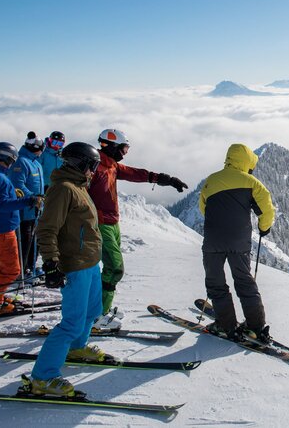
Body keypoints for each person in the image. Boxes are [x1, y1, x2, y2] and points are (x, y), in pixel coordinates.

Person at [28, 142, 105, 397]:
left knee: (93, 311)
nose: (94, 171)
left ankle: (76, 348)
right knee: (72, 321)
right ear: (81, 164)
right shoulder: (63, 189)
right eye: (92, 166)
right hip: (75, 265)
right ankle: (43, 376)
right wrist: (51, 264)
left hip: (91, 262)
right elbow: (47, 229)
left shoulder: (79, 187)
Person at [88, 128, 188, 318]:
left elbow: (135, 174)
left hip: (112, 222)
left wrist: (165, 179)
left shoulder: (111, 166)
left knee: (108, 267)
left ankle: (99, 307)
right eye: (124, 149)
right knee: (114, 268)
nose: (125, 154)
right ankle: (98, 314)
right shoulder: (97, 168)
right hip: (100, 223)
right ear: (113, 147)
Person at [199, 143, 275, 342]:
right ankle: (256, 327)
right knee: (244, 282)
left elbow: (203, 208)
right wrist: (264, 228)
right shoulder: (251, 182)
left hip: (213, 241)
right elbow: (266, 207)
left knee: (216, 284)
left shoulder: (210, 181)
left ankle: (226, 326)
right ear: (247, 161)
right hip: (238, 241)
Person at [0, 142, 42, 315]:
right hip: (1, 229)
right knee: (11, 269)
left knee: (1, 265)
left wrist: (15, 195)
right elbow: (2, 205)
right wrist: (29, 200)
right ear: (9, 158)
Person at [9, 131, 45, 275]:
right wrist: (33, 197)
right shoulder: (21, 161)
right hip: (26, 208)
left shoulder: (35, 161)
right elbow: (17, 185)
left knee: (34, 238)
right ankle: (21, 269)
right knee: (25, 238)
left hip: (35, 208)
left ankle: (29, 266)